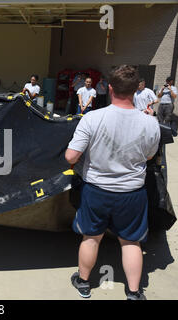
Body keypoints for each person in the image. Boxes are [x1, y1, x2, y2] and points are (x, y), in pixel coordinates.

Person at [65, 65, 160, 300]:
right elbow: (149, 156)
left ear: (109, 88)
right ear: (136, 89)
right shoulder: (150, 123)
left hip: (96, 190)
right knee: (130, 242)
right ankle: (134, 292)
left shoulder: (92, 118)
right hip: (132, 192)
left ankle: (84, 283)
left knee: (91, 238)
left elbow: (71, 156)